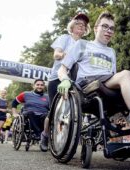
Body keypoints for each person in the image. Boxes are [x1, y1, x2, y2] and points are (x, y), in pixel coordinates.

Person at [56, 11, 130, 143]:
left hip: (107, 83)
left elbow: (114, 76)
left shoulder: (111, 52)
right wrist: (65, 80)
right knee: (126, 74)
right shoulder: (82, 44)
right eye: (104, 26)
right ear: (95, 28)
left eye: (111, 28)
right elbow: (62, 69)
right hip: (88, 84)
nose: (109, 31)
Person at [40, 13, 91, 151]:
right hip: (57, 78)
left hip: (73, 80)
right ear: (72, 26)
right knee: (53, 111)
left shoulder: (85, 45)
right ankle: (45, 135)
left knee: (69, 111)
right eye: (78, 23)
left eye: (84, 25)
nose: (81, 26)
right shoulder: (64, 38)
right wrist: (66, 56)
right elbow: (56, 55)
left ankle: (63, 139)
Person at [12, 79, 49, 150]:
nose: (39, 86)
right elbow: (14, 103)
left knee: (47, 115)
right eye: (37, 85)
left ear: (44, 87)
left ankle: (43, 136)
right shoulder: (26, 94)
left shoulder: (48, 97)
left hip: (43, 116)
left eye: (42, 85)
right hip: (29, 116)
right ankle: (39, 135)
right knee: (30, 113)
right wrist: (14, 113)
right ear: (33, 86)